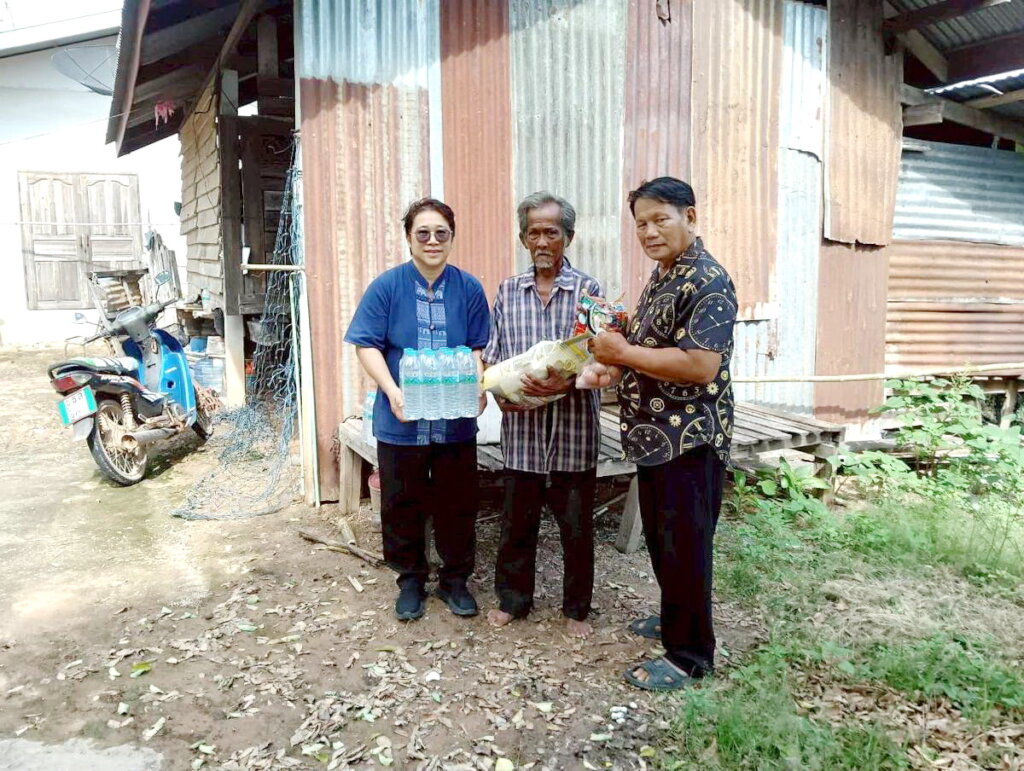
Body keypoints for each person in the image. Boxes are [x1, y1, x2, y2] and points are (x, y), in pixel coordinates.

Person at [590, 177, 737, 690]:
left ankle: (690, 656)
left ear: (689, 217)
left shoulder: (708, 280)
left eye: (660, 220)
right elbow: (651, 345)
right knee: (663, 539)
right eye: (641, 224)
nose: (649, 232)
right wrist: (618, 354)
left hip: (689, 441)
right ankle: (676, 618)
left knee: (685, 546)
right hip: (656, 436)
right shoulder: (666, 274)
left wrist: (623, 353)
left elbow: (699, 365)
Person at [344, 198, 490, 622]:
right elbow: (366, 344)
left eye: (441, 233)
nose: (432, 240)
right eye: (422, 232)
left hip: (454, 420)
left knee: (457, 502)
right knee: (401, 503)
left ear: (452, 237)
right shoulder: (387, 287)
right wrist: (392, 391)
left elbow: (476, 347)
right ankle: (410, 580)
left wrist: (478, 386)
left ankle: (455, 580)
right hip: (401, 420)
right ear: (408, 238)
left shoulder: (468, 289)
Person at [483, 192, 602, 638]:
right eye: (533, 233)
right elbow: (494, 356)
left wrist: (567, 384)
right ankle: (513, 601)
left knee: (576, 526)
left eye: (551, 232)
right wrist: (499, 395)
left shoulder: (588, 291)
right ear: (523, 239)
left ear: (568, 236)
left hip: (574, 429)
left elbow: (602, 358)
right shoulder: (508, 292)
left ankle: (576, 609)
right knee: (517, 522)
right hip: (523, 431)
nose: (542, 242)